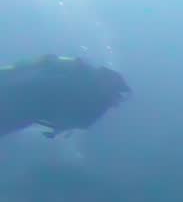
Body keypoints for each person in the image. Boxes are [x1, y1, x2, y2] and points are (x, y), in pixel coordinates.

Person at [0, 55, 131, 140]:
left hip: (24, 96)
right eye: (117, 96)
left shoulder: (81, 70)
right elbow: (76, 123)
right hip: (26, 103)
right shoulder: (82, 74)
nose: (116, 103)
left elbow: (46, 61)